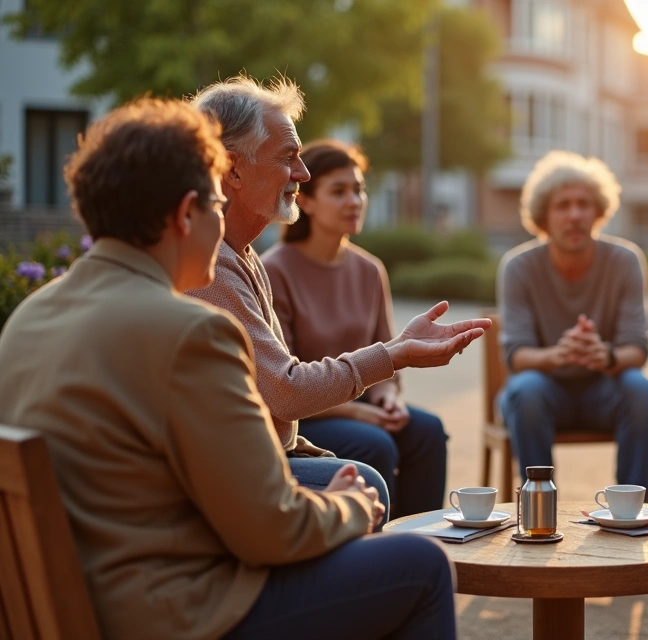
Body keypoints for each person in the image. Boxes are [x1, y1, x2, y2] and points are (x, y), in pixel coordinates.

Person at [0, 98, 456, 640]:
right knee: (421, 565)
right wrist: (350, 508)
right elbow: (272, 531)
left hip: (75, 601)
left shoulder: (30, 316)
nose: (221, 228)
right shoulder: (190, 332)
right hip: (170, 614)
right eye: (217, 204)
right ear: (184, 213)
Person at [185, 76, 487, 520]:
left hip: (263, 454)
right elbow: (286, 392)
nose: (301, 175)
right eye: (289, 158)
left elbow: (273, 408)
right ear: (231, 169)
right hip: (229, 477)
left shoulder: (244, 255)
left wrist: (388, 381)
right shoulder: (212, 264)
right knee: (372, 472)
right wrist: (396, 354)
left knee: (421, 435)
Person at [263, 140, 448, 518]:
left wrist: (388, 397)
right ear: (306, 201)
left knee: (428, 431)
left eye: (359, 189)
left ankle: (425, 545)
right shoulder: (274, 271)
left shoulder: (369, 269)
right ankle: (380, 556)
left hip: (363, 402)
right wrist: (361, 414)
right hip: (307, 415)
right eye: (339, 191)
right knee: (376, 443)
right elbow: (285, 383)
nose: (355, 201)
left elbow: (387, 349)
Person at [497, 150, 648, 492]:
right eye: (563, 205)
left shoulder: (625, 260)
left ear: (598, 211)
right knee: (525, 390)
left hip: (605, 389)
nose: (574, 215)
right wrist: (560, 354)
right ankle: (538, 511)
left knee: (641, 390)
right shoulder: (518, 267)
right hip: (543, 391)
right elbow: (517, 356)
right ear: (544, 214)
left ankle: (630, 511)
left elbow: (638, 348)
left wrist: (607, 356)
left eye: (584, 204)